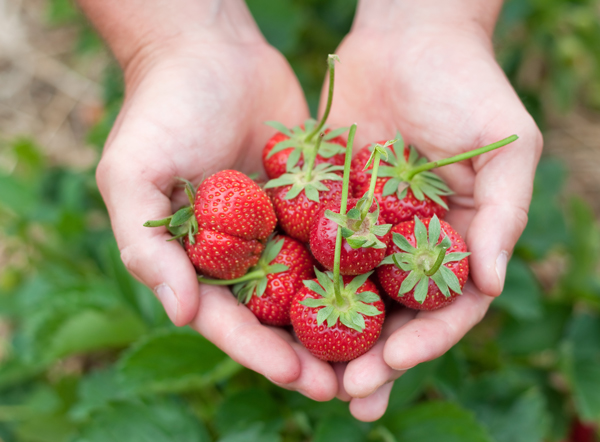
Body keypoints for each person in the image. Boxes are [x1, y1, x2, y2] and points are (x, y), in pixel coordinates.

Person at [77, 0, 542, 422]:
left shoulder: (362, 224)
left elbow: (343, 237)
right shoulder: (310, 217)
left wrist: (435, 24)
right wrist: (174, 44)